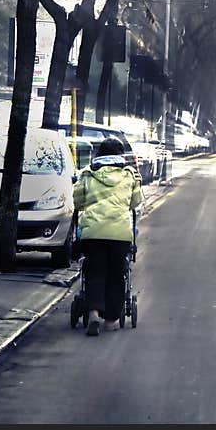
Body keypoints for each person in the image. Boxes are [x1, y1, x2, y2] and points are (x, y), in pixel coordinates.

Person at [73, 137, 143, 336]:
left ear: (99, 154)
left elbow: (78, 201)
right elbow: (135, 202)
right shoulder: (129, 175)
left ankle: (94, 312)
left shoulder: (87, 174)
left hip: (93, 232)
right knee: (116, 275)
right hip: (120, 233)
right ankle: (111, 320)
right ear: (120, 156)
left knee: (94, 271)